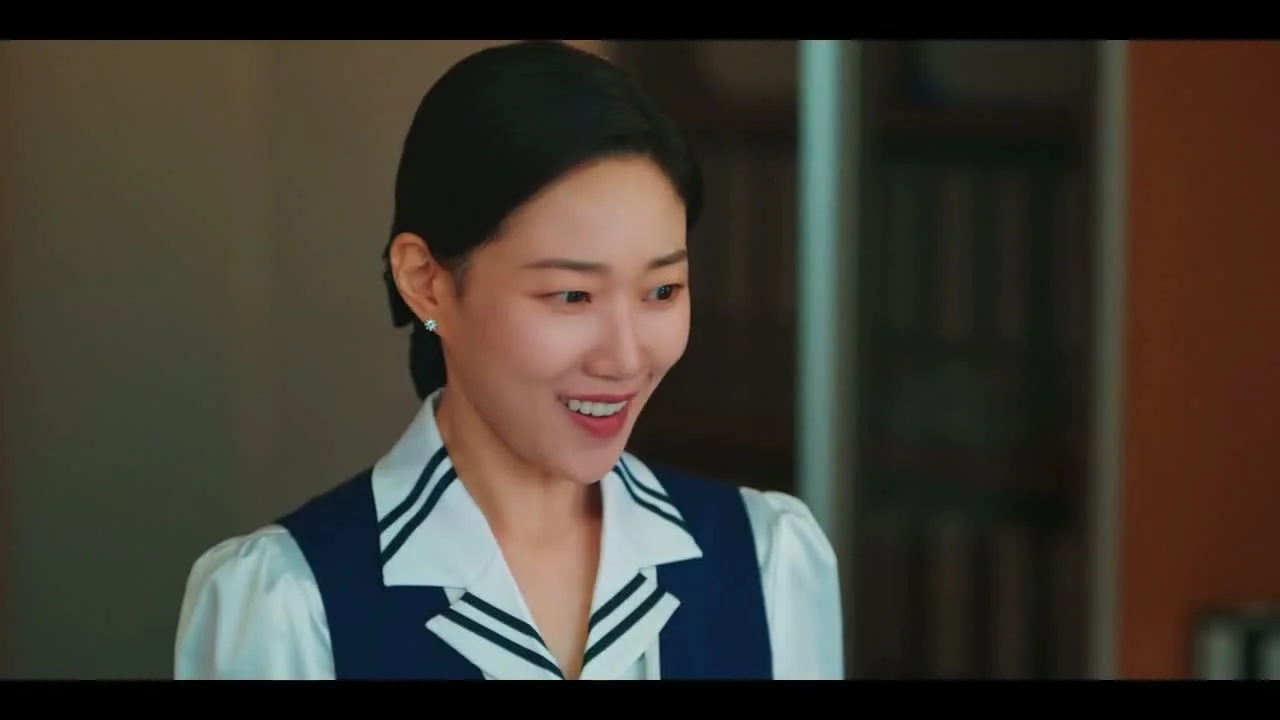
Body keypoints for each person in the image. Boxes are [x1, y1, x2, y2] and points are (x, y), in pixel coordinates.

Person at [173, 40, 842, 681]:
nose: (625, 357)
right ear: (425, 282)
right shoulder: (288, 603)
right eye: (572, 295)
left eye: (662, 291)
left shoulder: (766, 563)